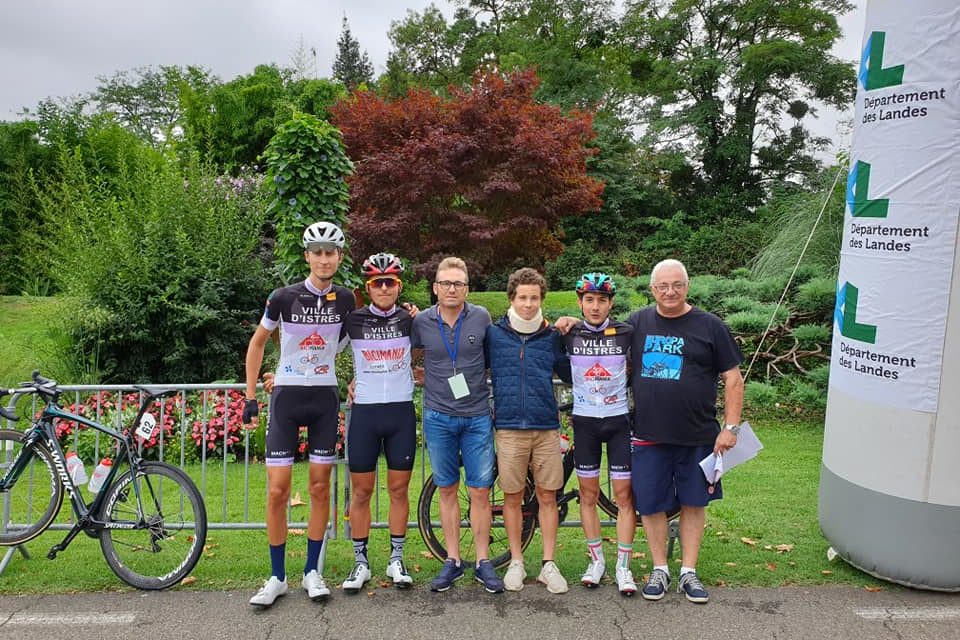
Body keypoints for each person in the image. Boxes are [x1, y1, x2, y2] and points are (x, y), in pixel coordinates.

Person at [243, 221, 356, 607]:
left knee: (320, 487)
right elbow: (257, 344)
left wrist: (357, 379)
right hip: (287, 397)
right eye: (318, 253)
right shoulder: (282, 297)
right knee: (277, 491)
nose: (325, 259)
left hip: (324, 397)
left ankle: (312, 571)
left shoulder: (346, 300)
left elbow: (351, 343)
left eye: (331, 253)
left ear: (339, 257)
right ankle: (276, 576)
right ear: (307, 256)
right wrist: (250, 395)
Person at [628, 259, 743, 604]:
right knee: (650, 504)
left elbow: (733, 378)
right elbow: (603, 337)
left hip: (698, 436)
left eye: (677, 285)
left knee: (695, 503)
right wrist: (571, 323)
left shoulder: (710, 326)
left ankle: (688, 572)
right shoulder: (638, 322)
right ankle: (660, 569)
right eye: (662, 286)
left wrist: (731, 427)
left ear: (687, 286)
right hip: (648, 434)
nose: (670, 292)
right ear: (652, 290)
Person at [410, 256, 504, 593]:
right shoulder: (420, 321)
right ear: (435, 288)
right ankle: (451, 560)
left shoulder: (480, 317)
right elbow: (397, 354)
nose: (452, 288)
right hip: (438, 417)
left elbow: (492, 360)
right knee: (447, 489)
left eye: (458, 284)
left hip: (477, 416)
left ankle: (482, 561)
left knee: (480, 491)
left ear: (467, 288)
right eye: (446, 283)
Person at [485, 268, 571, 594]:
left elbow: (570, 370)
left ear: (541, 299)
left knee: (548, 496)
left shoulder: (551, 337)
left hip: (545, 427)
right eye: (523, 297)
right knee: (513, 497)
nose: (528, 304)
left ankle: (549, 564)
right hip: (508, 428)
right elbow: (469, 366)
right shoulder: (494, 335)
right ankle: (517, 562)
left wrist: (573, 329)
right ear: (512, 298)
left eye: (534, 298)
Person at [340, 253, 416, 593]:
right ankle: (361, 562)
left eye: (390, 282)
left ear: (398, 286)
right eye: (377, 283)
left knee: (398, 490)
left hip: (400, 412)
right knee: (361, 491)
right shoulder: (353, 320)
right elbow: (320, 351)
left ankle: (396, 558)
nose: (384, 288)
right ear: (367, 288)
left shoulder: (412, 320)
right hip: (366, 414)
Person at [561, 273, 638, 596]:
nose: (595, 306)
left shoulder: (626, 333)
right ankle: (596, 560)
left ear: (610, 303)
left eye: (602, 300)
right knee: (588, 495)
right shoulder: (568, 332)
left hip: (618, 420)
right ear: (580, 302)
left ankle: (623, 567)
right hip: (585, 422)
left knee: (623, 497)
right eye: (589, 300)